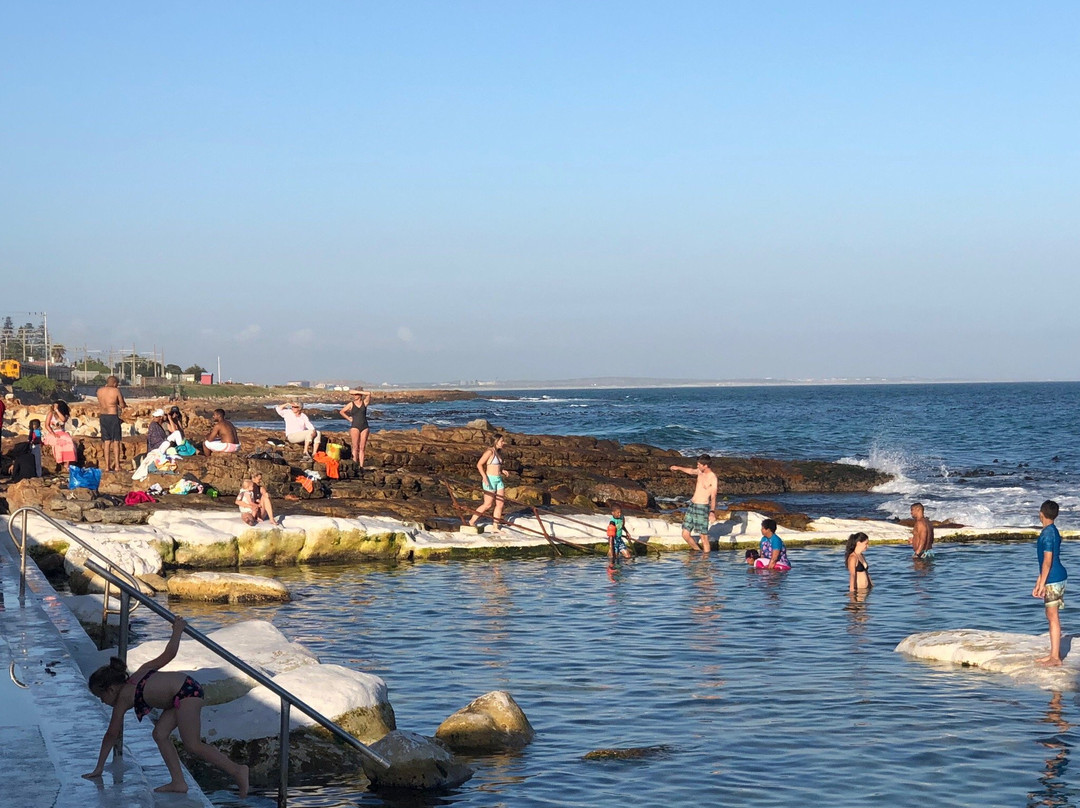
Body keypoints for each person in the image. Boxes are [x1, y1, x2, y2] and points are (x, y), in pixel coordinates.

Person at [83, 617, 249, 796]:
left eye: (101, 697)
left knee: (192, 744)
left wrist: (99, 767)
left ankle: (237, 770)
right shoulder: (141, 672)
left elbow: (112, 734)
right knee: (160, 734)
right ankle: (178, 782)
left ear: (111, 689)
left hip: (186, 694)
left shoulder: (123, 697)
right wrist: (176, 631)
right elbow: (169, 654)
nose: (102, 702)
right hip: (182, 692)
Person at [1033, 499, 1067, 667]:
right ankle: (1054, 653)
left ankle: (1055, 658)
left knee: (1053, 616)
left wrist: (1042, 583)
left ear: (1041, 514)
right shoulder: (1052, 530)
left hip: (1054, 578)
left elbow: (1047, 561)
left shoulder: (1048, 534)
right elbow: (1044, 562)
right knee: (1050, 615)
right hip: (1053, 576)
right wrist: (1039, 581)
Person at [669, 455, 718, 552]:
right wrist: (678, 468)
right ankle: (698, 552)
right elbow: (691, 471)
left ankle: (705, 562)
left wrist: (712, 511)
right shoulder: (700, 471)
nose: (698, 466)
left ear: (705, 465)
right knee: (685, 534)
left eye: (699, 464)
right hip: (692, 505)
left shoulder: (713, 478)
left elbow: (713, 496)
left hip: (702, 507)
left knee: (703, 537)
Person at [469, 435, 507, 530]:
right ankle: (472, 521)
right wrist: (484, 477)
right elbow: (479, 464)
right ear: (496, 441)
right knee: (488, 504)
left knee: (500, 504)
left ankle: (495, 527)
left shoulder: (498, 453)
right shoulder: (489, 451)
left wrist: (502, 471)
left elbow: (496, 466)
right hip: (490, 479)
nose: (503, 443)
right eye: (502, 441)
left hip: (499, 479)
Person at [96, 375, 127, 472]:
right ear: (114, 383)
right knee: (116, 441)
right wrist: (123, 404)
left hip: (103, 417)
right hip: (113, 416)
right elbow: (122, 404)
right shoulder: (116, 391)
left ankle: (107, 466)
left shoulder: (99, 391)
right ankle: (117, 466)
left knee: (106, 442)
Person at [339, 389, 372, 467]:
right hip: (355, 426)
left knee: (362, 447)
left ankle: (361, 466)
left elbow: (369, 393)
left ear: (360, 395)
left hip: (365, 426)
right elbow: (342, 411)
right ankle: (355, 464)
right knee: (355, 447)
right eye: (354, 395)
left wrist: (360, 392)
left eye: (356, 395)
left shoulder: (364, 403)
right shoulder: (351, 404)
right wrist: (349, 418)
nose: (354, 396)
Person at [43, 402, 77, 472]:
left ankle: (67, 464)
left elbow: (63, 420)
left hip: (62, 432)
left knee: (69, 442)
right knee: (58, 443)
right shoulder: (50, 414)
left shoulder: (65, 415)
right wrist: (53, 433)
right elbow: (47, 425)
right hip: (52, 433)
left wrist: (57, 411)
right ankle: (59, 460)